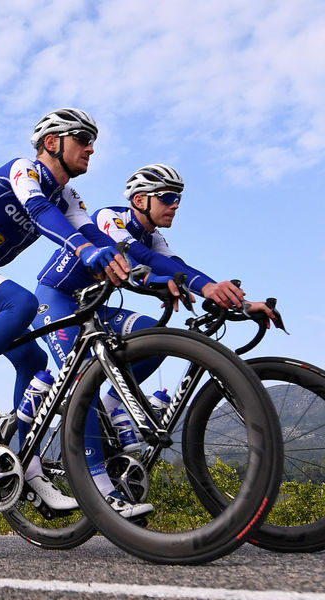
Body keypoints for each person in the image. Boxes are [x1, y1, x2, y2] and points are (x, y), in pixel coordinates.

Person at [33, 163, 276, 516]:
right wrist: (186, 283)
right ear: (141, 199)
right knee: (84, 379)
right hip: (58, 300)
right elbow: (140, 258)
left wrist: (238, 300)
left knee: (153, 334)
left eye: (178, 198)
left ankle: (117, 404)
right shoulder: (109, 219)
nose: (175, 204)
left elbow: (181, 268)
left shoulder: (155, 236)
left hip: (96, 307)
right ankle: (99, 487)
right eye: (168, 197)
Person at [0, 108, 129, 510]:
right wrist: (86, 251)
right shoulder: (25, 170)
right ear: (52, 142)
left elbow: (86, 230)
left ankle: (29, 470)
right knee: (23, 301)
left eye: (93, 140)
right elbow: (39, 213)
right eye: (82, 138)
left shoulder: (67, 194)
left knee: (35, 364)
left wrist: (113, 255)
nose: (91, 147)